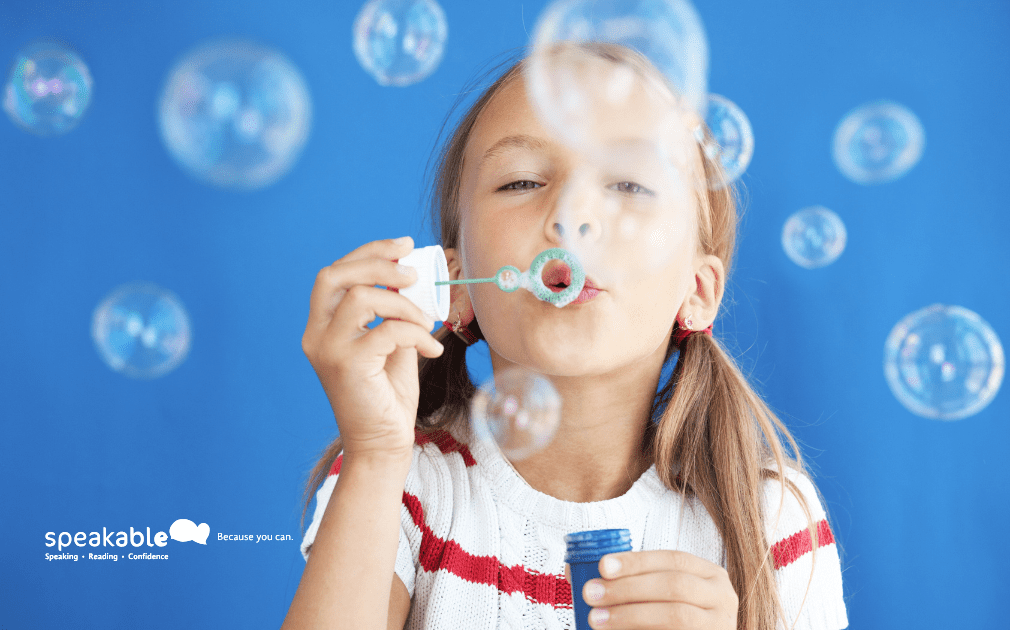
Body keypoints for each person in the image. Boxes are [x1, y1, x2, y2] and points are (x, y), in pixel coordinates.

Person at [281, 44, 848, 630]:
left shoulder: (769, 520)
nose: (572, 214)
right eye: (522, 181)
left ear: (697, 290)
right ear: (455, 287)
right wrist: (374, 454)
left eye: (629, 183)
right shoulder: (402, 485)